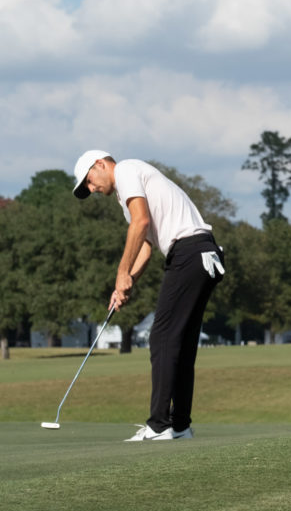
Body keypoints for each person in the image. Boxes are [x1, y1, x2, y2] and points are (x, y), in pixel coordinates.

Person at [73, 151, 226, 440]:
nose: (92, 190)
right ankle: (180, 426)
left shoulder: (128, 170)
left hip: (189, 253)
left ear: (101, 164)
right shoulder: (126, 195)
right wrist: (127, 282)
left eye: (90, 181)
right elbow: (145, 244)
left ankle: (158, 425)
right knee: (181, 341)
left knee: (162, 337)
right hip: (204, 255)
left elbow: (140, 223)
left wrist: (121, 272)